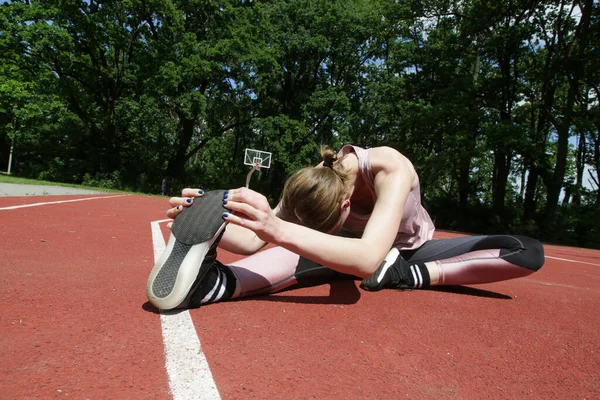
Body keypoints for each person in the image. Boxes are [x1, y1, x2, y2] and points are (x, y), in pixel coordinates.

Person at [146, 145, 545, 310]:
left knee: (525, 250)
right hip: (341, 253)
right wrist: (213, 222)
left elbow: (368, 256)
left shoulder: (390, 167)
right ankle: (214, 282)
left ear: (346, 204)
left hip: (404, 251)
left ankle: (410, 275)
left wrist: (279, 229)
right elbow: (252, 242)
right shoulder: (310, 182)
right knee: (304, 251)